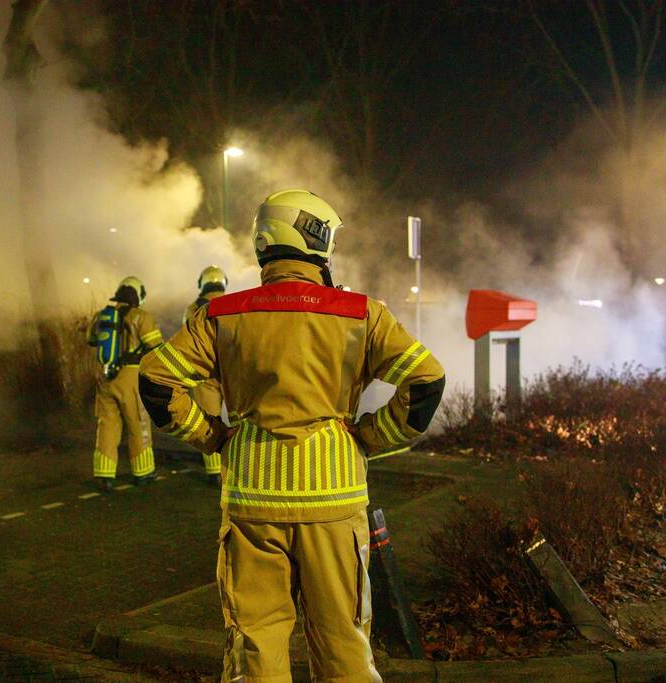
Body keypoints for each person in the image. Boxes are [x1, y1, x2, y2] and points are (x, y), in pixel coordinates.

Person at [139, 189, 445, 682]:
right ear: (316, 238)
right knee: (344, 645)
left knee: (255, 647)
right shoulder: (361, 312)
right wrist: (369, 436)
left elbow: (156, 381)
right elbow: (427, 381)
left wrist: (211, 436)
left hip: (251, 504)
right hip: (335, 502)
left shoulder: (220, 314)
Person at [87, 276, 164, 492]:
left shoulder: (102, 315)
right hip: (131, 377)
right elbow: (156, 347)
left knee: (107, 425)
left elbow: (91, 339)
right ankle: (144, 472)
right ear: (138, 295)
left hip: (105, 377)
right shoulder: (141, 317)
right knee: (138, 424)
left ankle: (104, 475)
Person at [184, 265, 229, 485]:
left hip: (205, 372)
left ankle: (214, 473)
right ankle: (242, 466)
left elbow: (188, 339)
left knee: (209, 419)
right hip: (231, 371)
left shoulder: (193, 308)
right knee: (240, 418)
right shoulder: (235, 302)